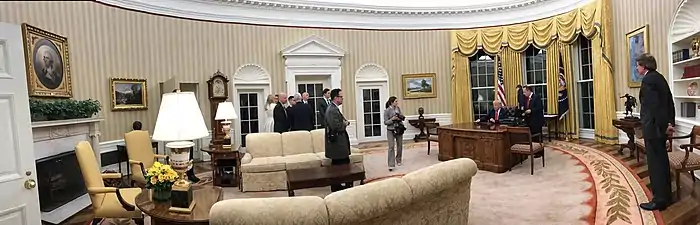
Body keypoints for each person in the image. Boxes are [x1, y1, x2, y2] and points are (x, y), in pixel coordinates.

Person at [637, 53, 675, 211]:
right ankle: (666, 196)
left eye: (638, 65)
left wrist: (658, 126)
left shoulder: (648, 80)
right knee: (662, 162)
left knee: (655, 164)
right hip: (660, 128)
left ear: (644, 66)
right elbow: (669, 102)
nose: (637, 67)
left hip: (653, 129)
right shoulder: (660, 78)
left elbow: (653, 107)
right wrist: (669, 124)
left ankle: (659, 200)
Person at [325, 88, 352, 192]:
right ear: (336, 98)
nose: (342, 98)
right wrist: (345, 123)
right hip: (337, 144)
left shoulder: (334, 108)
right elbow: (335, 126)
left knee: (341, 165)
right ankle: (338, 188)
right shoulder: (331, 110)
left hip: (338, 143)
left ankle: (340, 186)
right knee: (340, 166)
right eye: (341, 97)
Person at [521, 86, 544, 157]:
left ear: (528, 91)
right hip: (529, 121)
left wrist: (531, 110)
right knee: (532, 137)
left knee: (538, 137)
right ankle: (533, 150)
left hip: (536, 120)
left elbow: (540, 107)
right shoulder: (525, 98)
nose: (524, 94)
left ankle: (540, 152)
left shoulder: (536, 97)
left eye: (524, 92)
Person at [384, 96, 405, 171]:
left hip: (399, 129)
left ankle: (398, 160)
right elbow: (385, 122)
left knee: (400, 145)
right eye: (396, 101)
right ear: (392, 102)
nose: (397, 102)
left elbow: (402, 117)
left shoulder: (398, 109)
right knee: (391, 147)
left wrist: (399, 118)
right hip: (390, 130)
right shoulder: (387, 111)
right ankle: (391, 164)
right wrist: (392, 119)